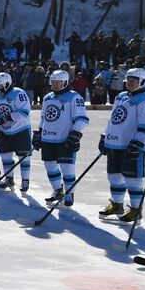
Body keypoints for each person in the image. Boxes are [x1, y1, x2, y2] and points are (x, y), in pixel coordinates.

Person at [97, 67, 145, 224]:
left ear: (143, 82)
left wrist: (139, 142)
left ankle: (135, 209)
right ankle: (117, 205)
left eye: (134, 81)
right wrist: (105, 137)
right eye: (128, 80)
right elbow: (113, 119)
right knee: (114, 176)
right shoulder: (120, 96)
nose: (130, 83)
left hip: (132, 146)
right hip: (114, 144)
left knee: (133, 179)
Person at [36, 69, 89, 207]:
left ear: (64, 82)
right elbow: (44, 118)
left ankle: (69, 193)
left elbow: (82, 119)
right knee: (50, 166)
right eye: (52, 81)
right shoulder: (48, 97)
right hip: (48, 139)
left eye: (57, 82)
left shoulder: (74, 97)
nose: (54, 84)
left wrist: (76, 134)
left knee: (67, 168)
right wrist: (39, 133)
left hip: (64, 138)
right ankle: (57, 190)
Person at [0, 71, 33, 192]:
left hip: (21, 129)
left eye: (0, 86)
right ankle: (9, 179)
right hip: (4, 131)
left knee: (23, 157)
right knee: (5, 155)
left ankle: (25, 181)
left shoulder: (18, 93)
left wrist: (6, 118)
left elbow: (24, 112)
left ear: (7, 83)